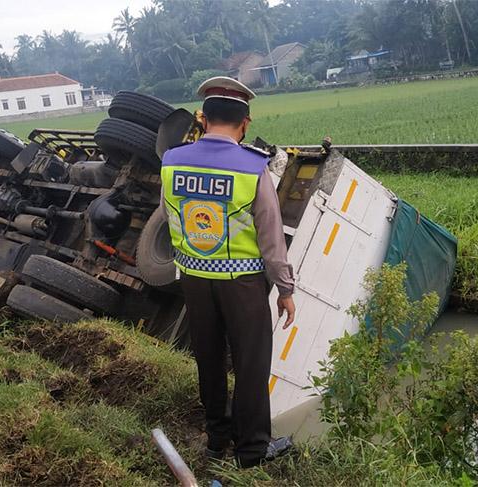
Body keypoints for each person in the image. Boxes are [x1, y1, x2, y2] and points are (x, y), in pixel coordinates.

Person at [160, 76, 296, 468]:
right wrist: (285, 289)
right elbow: (271, 236)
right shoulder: (253, 167)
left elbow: (171, 218)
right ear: (245, 123)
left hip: (195, 279)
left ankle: (217, 439)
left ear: (203, 120)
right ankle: (252, 449)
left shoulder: (172, 160)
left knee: (209, 357)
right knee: (251, 362)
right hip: (243, 284)